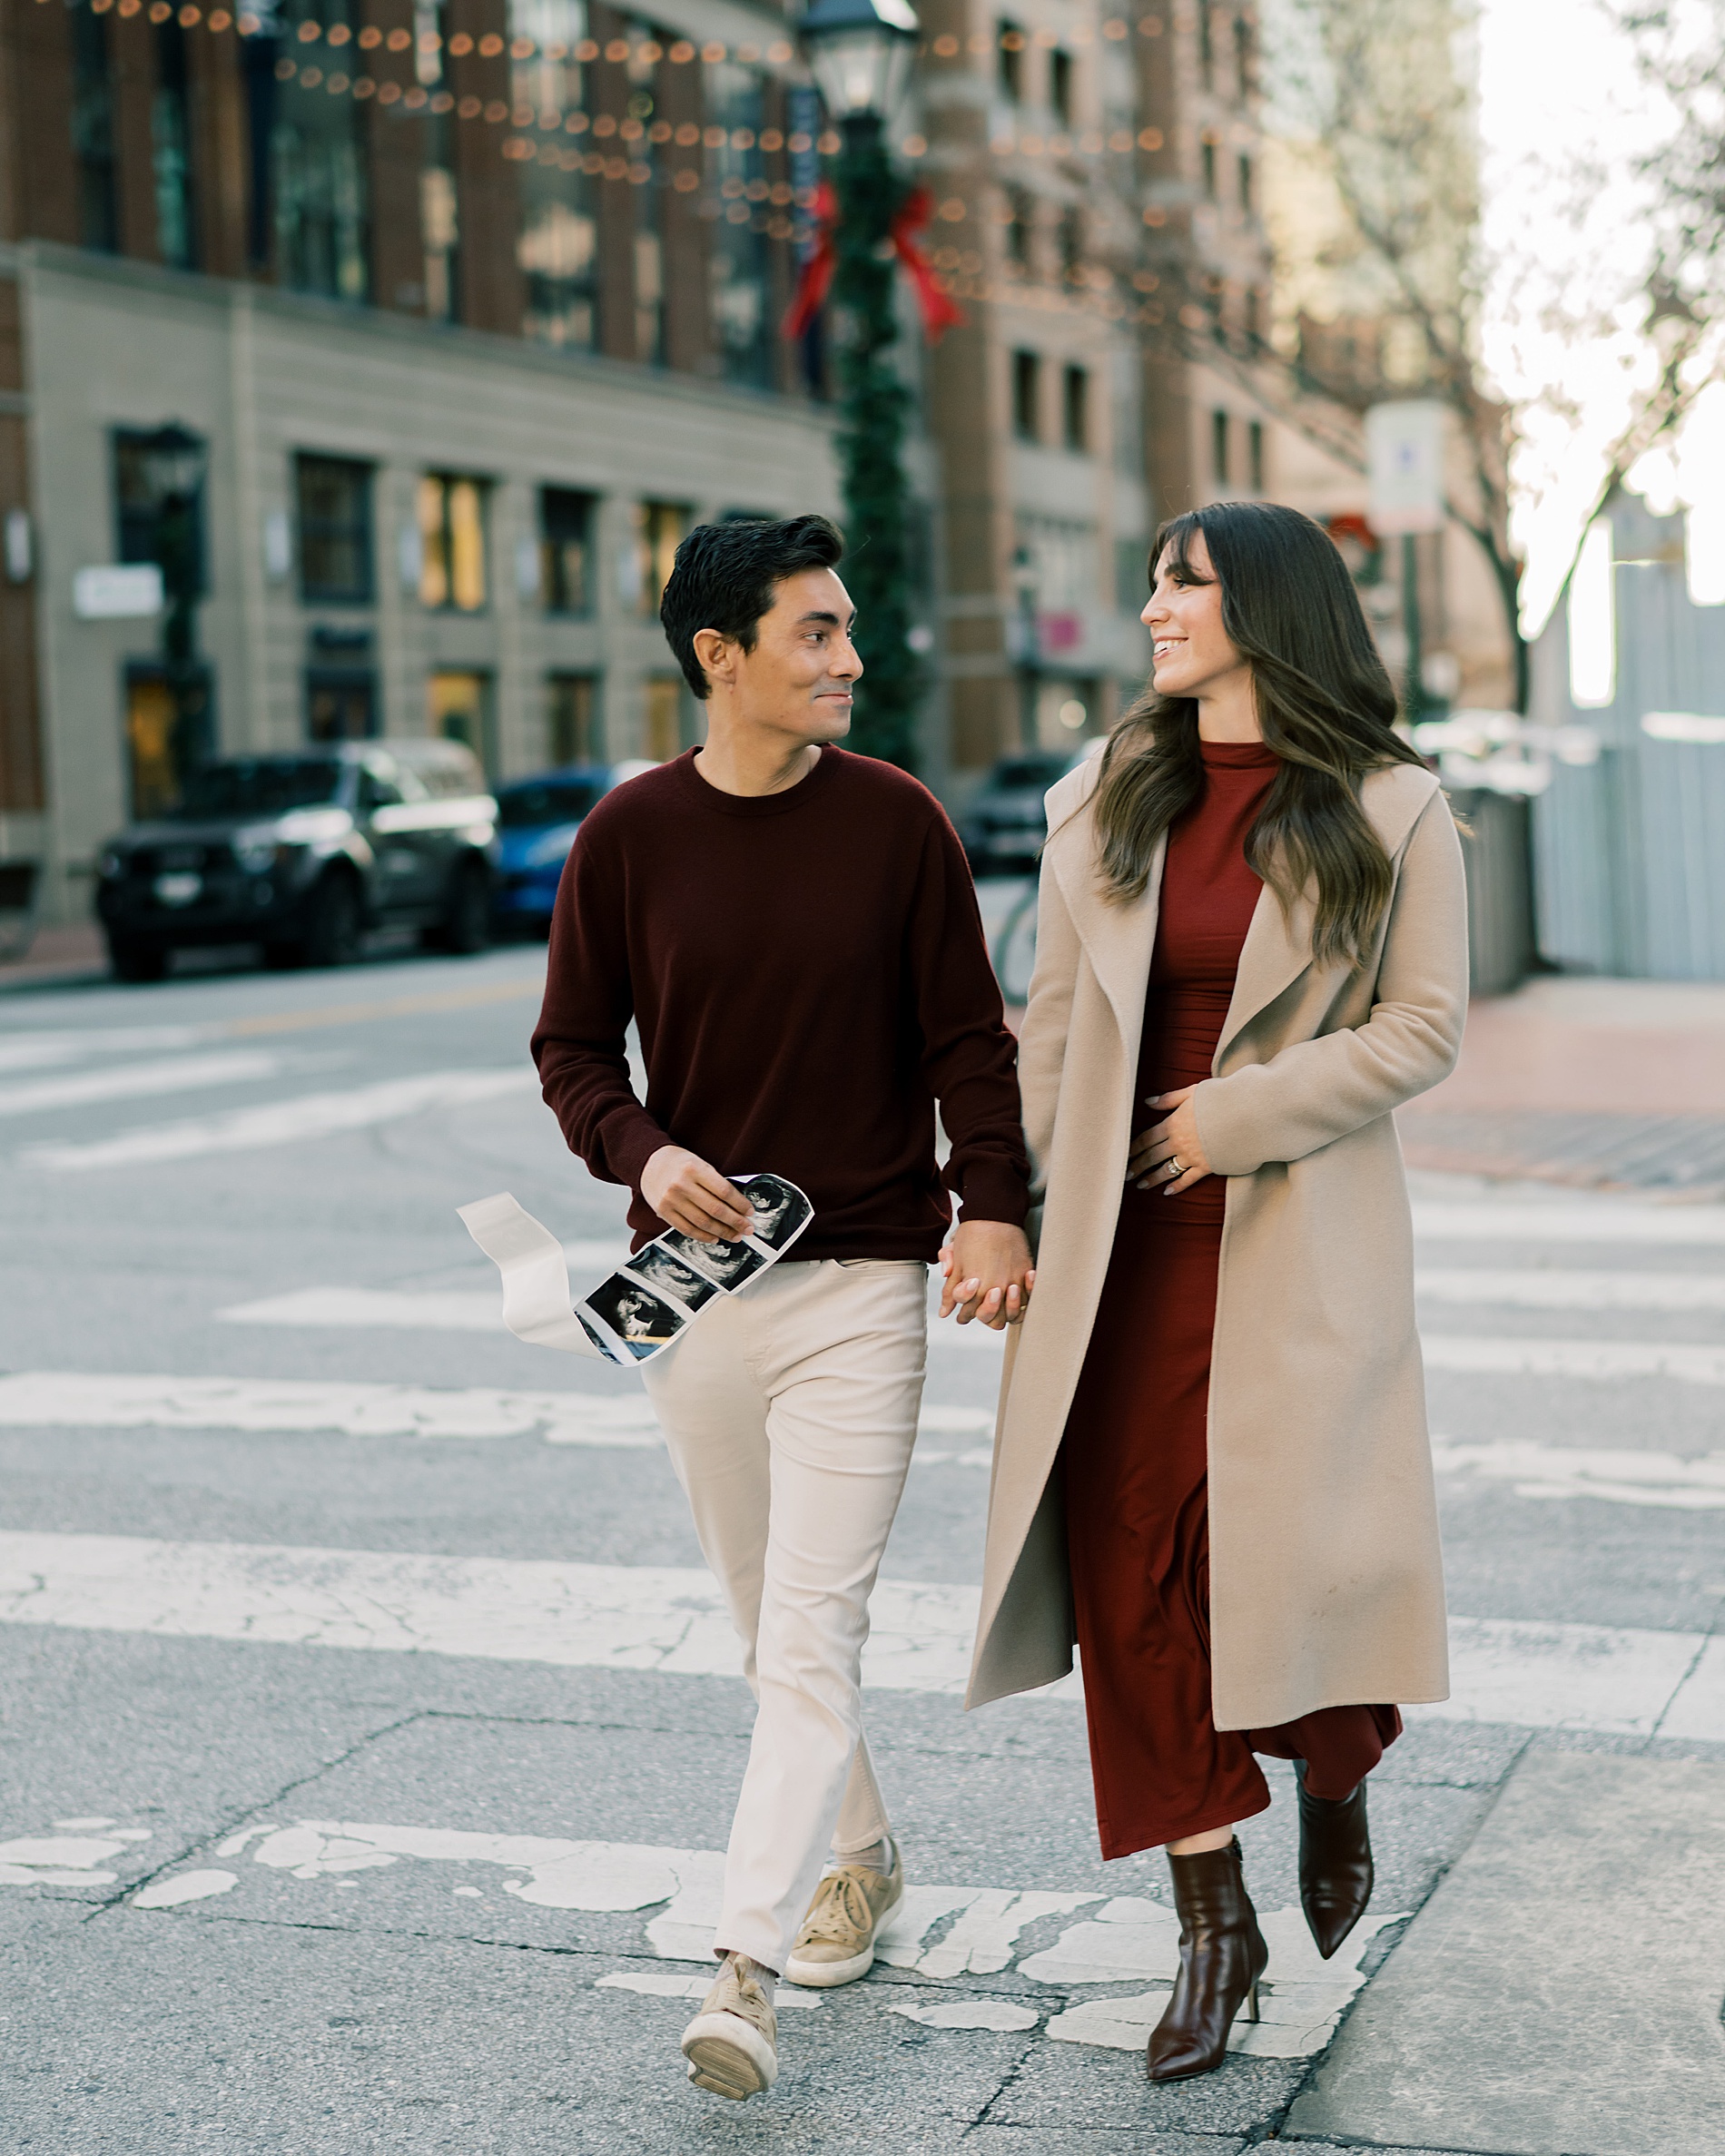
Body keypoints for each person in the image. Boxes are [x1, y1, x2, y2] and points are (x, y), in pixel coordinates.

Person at [531, 514, 1034, 2102]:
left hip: (863, 1284)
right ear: (719, 656)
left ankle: (741, 1966)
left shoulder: (898, 826)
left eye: (848, 629)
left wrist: (997, 1203)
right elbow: (570, 1053)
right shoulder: (627, 837)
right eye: (815, 633)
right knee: (773, 1630)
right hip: (691, 1298)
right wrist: (645, 1147)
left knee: (815, 1627)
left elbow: (971, 1041)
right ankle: (863, 1853)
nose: (849, 660)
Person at [965, 500, 1467, 2082]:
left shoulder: (1390, 807)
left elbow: (1424, 1027)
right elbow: (1050, 1026)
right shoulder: (1109, 795)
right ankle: (1209, 1919)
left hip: (1289, 1237)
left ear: (1268, 608)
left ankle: (1333, 1764)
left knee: (1300, 1554)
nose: (1155, 608)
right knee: (1130, 1578)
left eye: (1184, 585)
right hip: (1116, 1256)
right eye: (1160, 582)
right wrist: (1015, 1211)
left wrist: (1231, 1118)